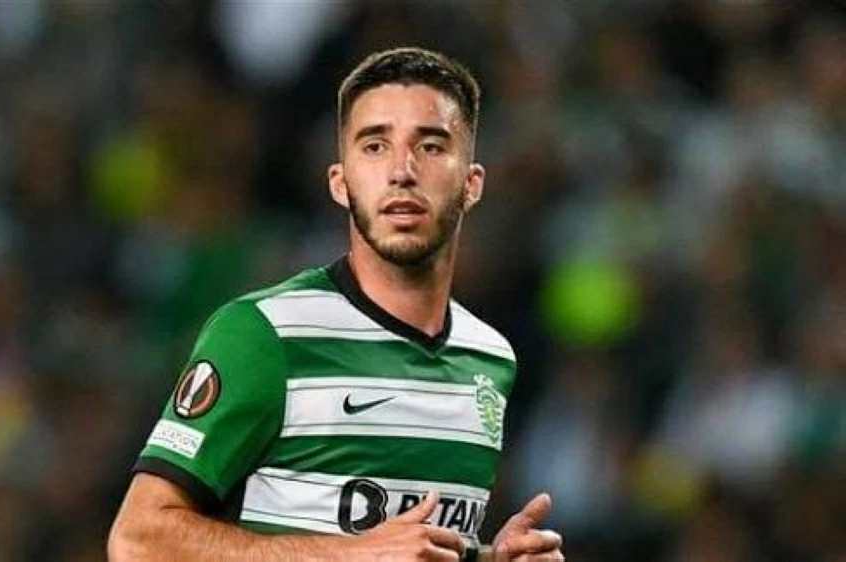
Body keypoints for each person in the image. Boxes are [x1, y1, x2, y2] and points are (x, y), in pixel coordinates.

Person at [108, 47, 565, 562]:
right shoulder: (264, 334)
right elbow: (138, 539)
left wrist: (487, 558)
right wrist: (347, 555)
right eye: (375, 146)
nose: (402, 170)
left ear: (472, 184)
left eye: (431, 146)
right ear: (340, 183)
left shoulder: (491, 358)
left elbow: (413, 550)